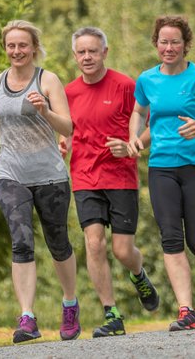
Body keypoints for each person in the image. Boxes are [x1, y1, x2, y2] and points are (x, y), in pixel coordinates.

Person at [0, 20, 81, 343]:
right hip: (10, 173)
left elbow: (68, 128)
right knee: (21, 241)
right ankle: (27, 317)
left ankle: (70, 304)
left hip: (49, 174)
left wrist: (45, 111)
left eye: (23, 45)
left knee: (58, 242)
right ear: (5, 48)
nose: (16, 51)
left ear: (34, 48)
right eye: (11, 45)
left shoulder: (47, 80)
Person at [127, 15, 195, 332]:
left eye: (175, 42)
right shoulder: (147, 80)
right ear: (156, 44)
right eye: (163, 42)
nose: (169, 47)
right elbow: (139, 112)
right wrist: (135, 137)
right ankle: (187, 311)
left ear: (185, 45)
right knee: (171, 239)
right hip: (161, 167)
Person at [61, 26, 160, 338]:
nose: (87, 57)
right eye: (82, 52)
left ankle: (138, 274)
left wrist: (133, 146)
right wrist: (63, 141)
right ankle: (111, 313)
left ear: (105, 52)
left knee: (122, 250)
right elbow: (66, 128)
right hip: (84, 176)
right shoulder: (68, 92)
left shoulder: (125, 85)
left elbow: (153, 124)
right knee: (93, 243)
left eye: (93, 51)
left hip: (120, 176)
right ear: (75, 55)